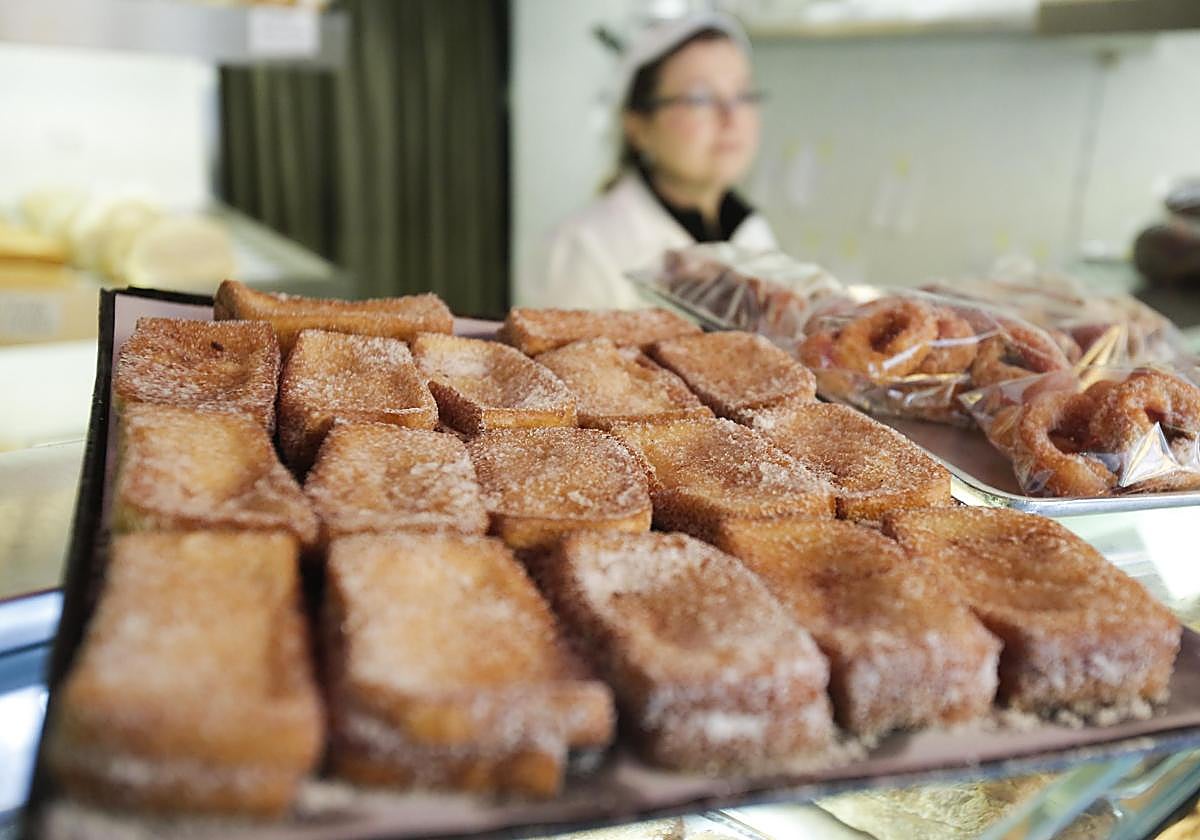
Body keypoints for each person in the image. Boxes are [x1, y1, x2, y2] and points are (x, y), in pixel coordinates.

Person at [536, 12, 777, 310]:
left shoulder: (753, 233)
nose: (731, 117)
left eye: (742, 94)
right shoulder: (585, 250)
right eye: (699, 98)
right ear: (638, 127)